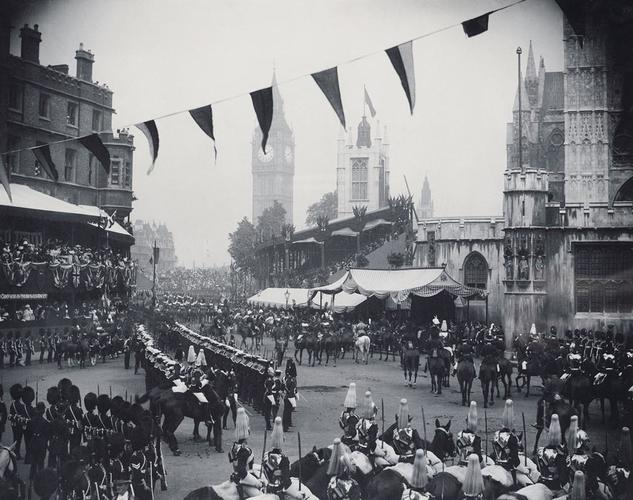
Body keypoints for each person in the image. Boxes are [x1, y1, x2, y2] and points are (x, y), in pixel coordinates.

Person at [229, 408, 261, 491]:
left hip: (238, 475)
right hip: (246, 481)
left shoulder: (234, 446)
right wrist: (257, 483)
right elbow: (242, 470)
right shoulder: (244, 450)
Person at [536, 413, 568, 492]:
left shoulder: (541, 450)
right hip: (556, 485)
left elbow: (538, 469)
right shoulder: (561, 453)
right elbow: (563, 475)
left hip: (542, 482)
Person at [492, 399, 521, 485]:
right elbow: (516, 460)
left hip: (497, 465)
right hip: (508, 468)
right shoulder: (512, 438)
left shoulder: (496, 434)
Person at [262, 416, 291, 495]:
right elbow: (287, 482)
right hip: (278, 492)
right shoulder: (284, 459)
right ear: (283, 441)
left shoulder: (266, 456)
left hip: (267, 489)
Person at [392, 399, 424, 463]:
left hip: (400, 459)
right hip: (408, 459)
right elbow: (419, 446)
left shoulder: (394, 431)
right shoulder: (413, 431)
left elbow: (419, 446)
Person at [27, 402, 50, 481]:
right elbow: (47, 435)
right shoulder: (46, 423)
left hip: (33, 442)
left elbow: (28, 434)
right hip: (41, 443)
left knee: (33, 462)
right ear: (43, 411)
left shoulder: (31, 421)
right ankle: (41, 477)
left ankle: (31, 477)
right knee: (41, 462)